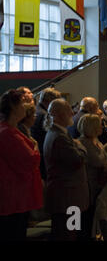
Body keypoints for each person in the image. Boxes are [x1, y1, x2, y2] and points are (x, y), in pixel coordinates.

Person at [43, 98, 89, 241]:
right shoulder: (60, 137)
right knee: (68, 235)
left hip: (67, 197)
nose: (72, 112)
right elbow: (79, 159)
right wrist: (80, 145)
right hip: (68, 199)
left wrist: (76, 144)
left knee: (68, 233)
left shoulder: (59, 133)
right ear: (58, 114)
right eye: (68, 110)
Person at [0, 89, 43, 241]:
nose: (25, 107)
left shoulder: (10, 130)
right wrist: (35, 148)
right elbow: (30, 160)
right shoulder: (7, 133)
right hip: (13, 199)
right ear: (14, 108)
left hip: (15, 198)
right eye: (22, 104)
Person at [78, 113, 107, 240]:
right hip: (90, 188)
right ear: (93, 127)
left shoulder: (94, 141)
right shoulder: (84, 143)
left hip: (98, 186)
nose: (102, 127)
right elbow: (99, 160)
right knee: (88, 223)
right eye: (100, 125)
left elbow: (103, 152)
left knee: (94, 223)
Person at [30, 88, 62, 180]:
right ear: (49, 101)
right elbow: (49, 137)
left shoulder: (37, 110)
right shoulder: (44, 115)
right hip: (43, 156)